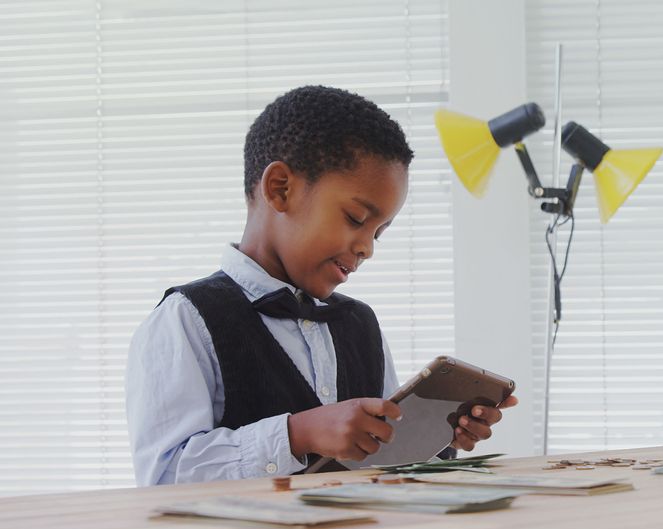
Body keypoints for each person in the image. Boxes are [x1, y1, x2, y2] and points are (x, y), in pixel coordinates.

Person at [125, 85, 517, 486]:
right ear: (280, 188)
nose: (367, 248)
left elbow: (382, 466)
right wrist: (298, 434)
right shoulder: (185, 321)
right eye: (355, 218)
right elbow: (163, 477)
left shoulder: (360, 323)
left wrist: (435, 437)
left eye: (379, 233)